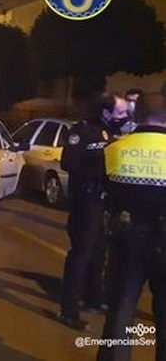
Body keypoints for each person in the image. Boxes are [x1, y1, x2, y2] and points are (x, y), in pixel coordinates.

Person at [98, 92, 166, 361]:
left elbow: (107, 194)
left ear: (137, 116)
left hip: (127, 235)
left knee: (121, 311)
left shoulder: (114, 149)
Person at [59, 92, 130, 330]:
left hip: (105, 203)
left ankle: (94, 298)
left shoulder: (116, 133)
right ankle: (68, 310)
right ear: (105, 111)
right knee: (82, 252)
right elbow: (68, 162)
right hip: (86, 202)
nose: (124, 116)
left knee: (99, 253)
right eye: (119, 112)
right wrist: (97, 173)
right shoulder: (82, 131)